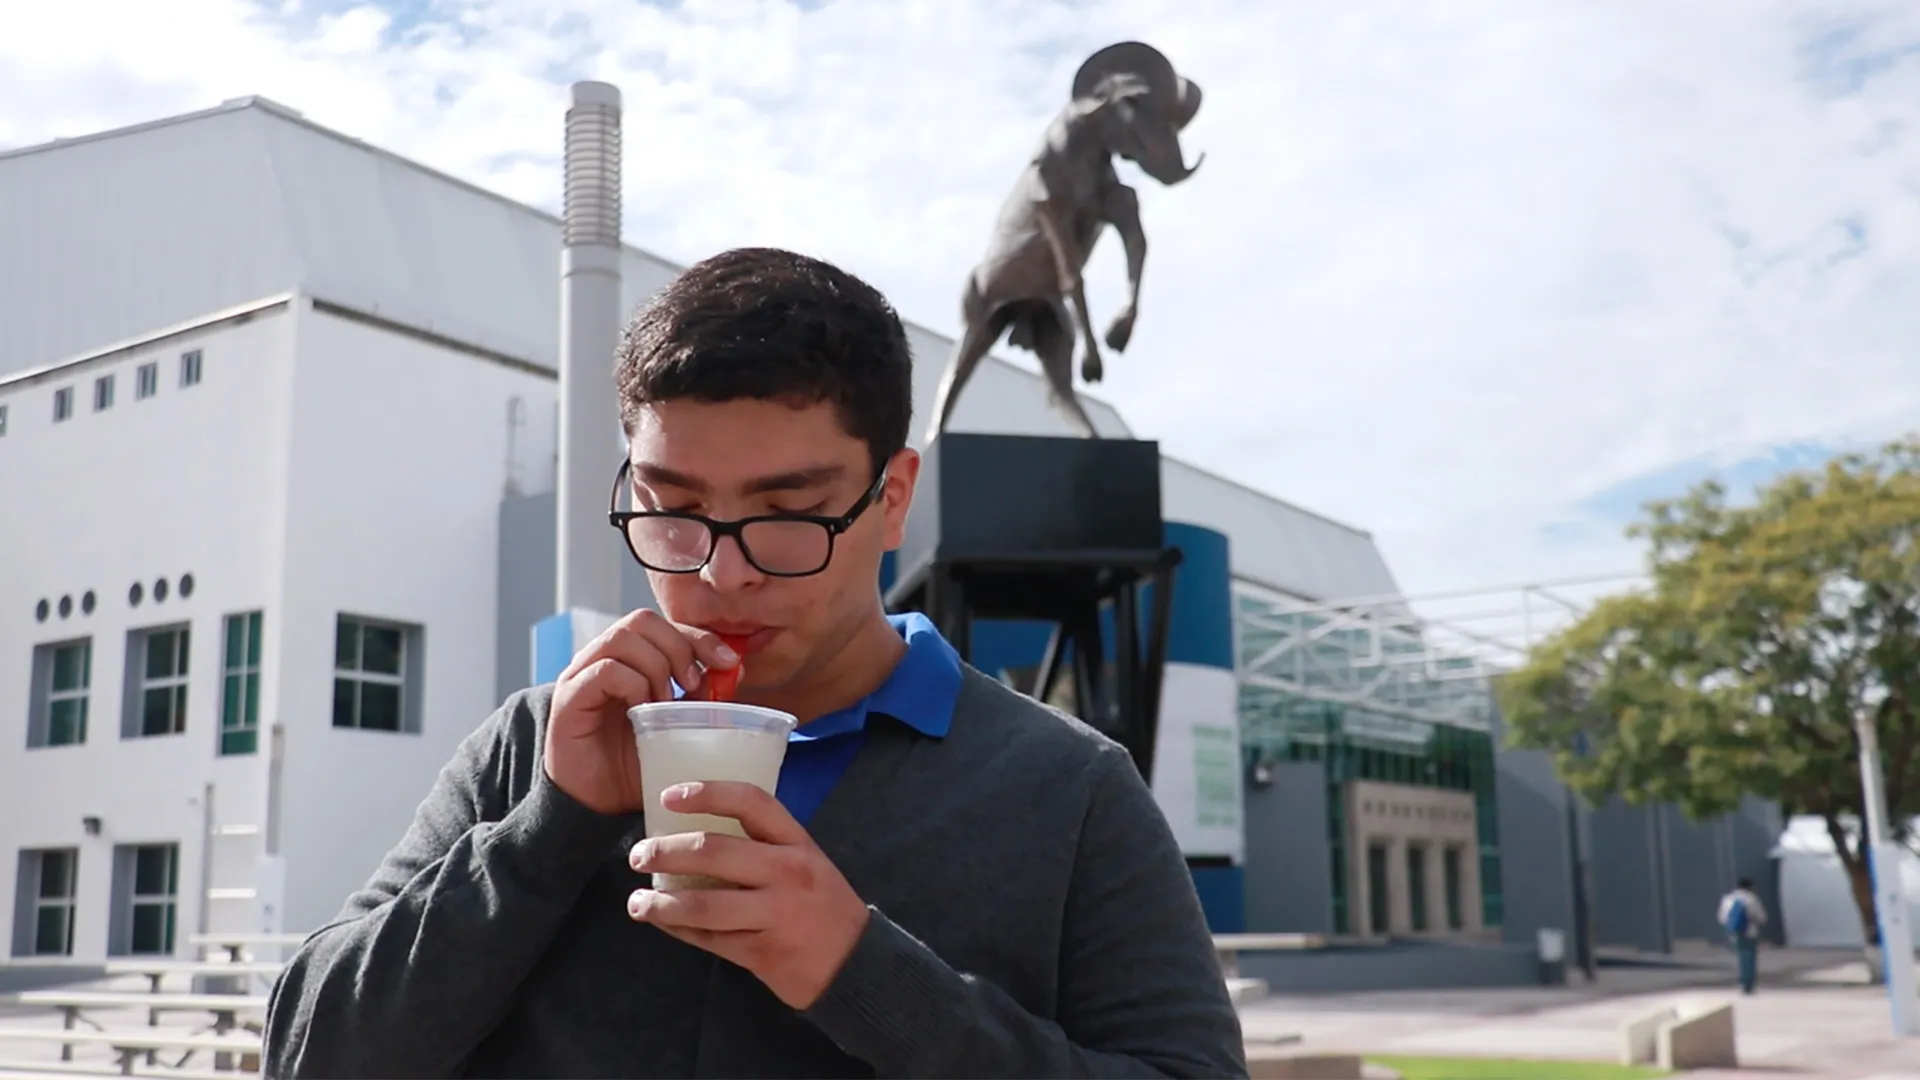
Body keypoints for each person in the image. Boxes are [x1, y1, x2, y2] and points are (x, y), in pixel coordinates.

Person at [262, 247, 1248, 1078]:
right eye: (675, 511)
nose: (722, 575)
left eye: (788, 515)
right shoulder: (534, 745)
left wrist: (861, 974)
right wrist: (548, 829)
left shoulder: (1067, 790)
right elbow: (307, 1051)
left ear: (893, 497)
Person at [1718, 877, 1769, 995]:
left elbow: (1722, 918)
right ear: (1750, 887)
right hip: (1750, 932)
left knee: (1741, 957)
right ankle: (1748, 984)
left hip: (1734, 932)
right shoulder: (1751, 899)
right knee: (1749, 957)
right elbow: (1760, 916)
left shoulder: (1728, 899)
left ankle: (1742, 981)